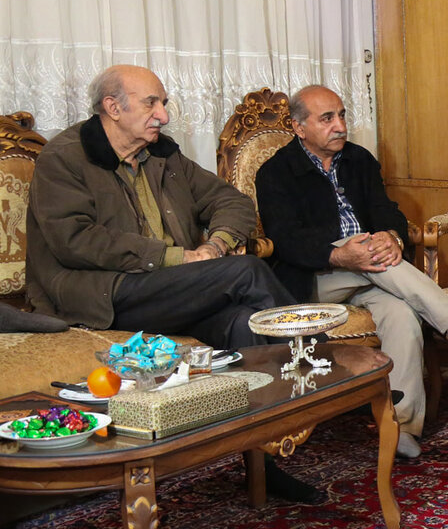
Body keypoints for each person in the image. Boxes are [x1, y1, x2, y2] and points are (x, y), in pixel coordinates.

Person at [26, 64, 321, 503]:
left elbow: (232, 201)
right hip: (104, 294)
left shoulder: (162, 154)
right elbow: (75, 241)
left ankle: (264, 462)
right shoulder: (65, 158)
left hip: (171, 289)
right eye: (152, 103)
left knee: (242, 321)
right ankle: (326, 368)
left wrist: (215, 246)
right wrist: (178, 257)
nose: (163, 115)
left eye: (163, 103)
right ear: (112, 107)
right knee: (248, 271)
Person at [255, 85, 448, 460]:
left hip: (368, 272)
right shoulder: (275, 173)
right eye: (327, 118)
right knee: (368, 251)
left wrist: (391, 237)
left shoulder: (359, 159)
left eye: (342, 115)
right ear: (299, 127)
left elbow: (386, 210)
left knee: (401, 314)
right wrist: (339, 255)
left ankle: (399, 425)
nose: (340, 126)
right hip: (316, 276)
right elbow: (285, 241)